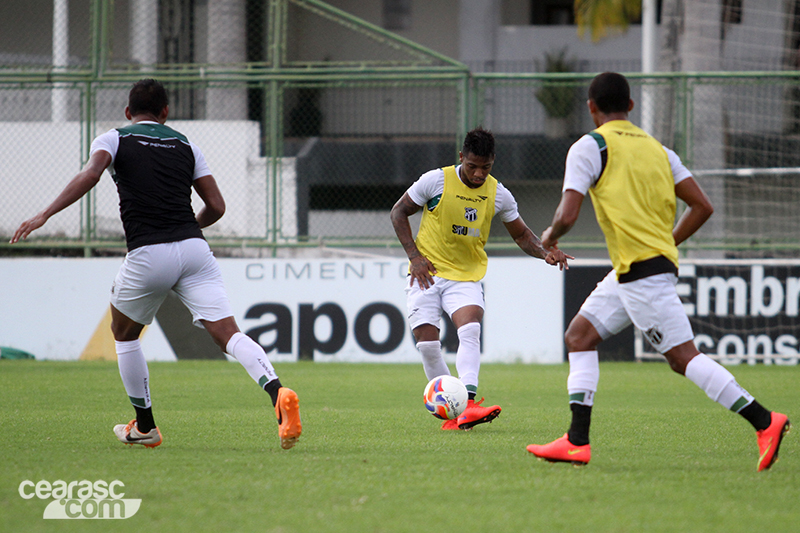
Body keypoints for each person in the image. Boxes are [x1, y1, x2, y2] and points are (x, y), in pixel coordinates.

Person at [11, 79, 302, 450]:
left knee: (124, 333)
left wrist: (44, 214)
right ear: (165, 113)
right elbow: (217, 207)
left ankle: (145, 426)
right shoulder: (187, 145)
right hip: (196, 250)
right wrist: (187, 228)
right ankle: (277, 391)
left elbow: (90, 175)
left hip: (149, 251)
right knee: (228, 334)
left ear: (128, 112)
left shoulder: (112, 138)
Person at [526, 72, 790, 471]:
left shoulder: (590, 146)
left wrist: (549, 236)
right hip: (637, 268)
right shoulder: (660, 151)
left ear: (591, 107)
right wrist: (664, 245)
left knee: (683, 358)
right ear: (630, 107)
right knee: (579, 336)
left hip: (641, 274)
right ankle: (576, 441)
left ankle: (765, 421)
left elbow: (567, 213)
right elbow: (702, 206)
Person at [391, 127, 572, 431]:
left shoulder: (498, 193)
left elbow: (522, 235)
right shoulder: (435, 181)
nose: (478, 174)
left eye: (485, 168)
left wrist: (545, 253)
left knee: (470, 329)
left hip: (465, 277)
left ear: (492, 163)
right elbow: (398, 212)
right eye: (472, 166)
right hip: (427, 275)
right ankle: (451, 409)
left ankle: (469, 405)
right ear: (461, 157)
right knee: (428, 346)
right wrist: (414, 257)